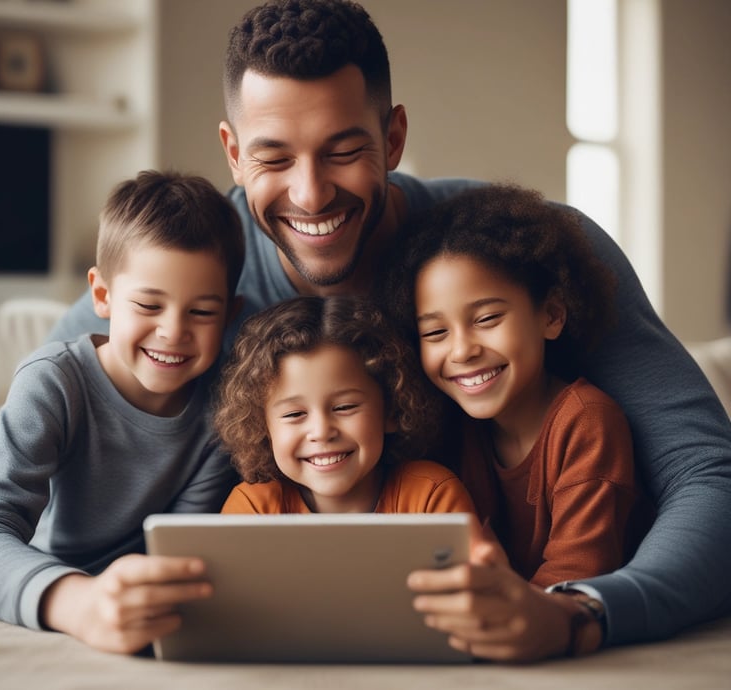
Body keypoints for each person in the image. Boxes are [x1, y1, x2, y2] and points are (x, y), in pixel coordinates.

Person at [46, 0, 731, 662]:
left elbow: (708, 473)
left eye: (343, 150)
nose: (310, 194)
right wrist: (77, 600)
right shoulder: (182, 274)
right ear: (231, 151)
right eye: (274, 158)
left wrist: (582, 612)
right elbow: (22, 460)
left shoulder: (530, 253)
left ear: (394, 137)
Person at [0, 170, 244, 654]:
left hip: (148, 609)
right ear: (102, 296)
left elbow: (179, 545)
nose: (173, 332)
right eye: (148, 305)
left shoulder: (225, 405)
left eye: (201, 312)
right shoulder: (54, 381)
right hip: (62, 591)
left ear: (231, 314)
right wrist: (79, 603)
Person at [381, 183, 652, 594]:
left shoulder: (587, 422)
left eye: (487, 319)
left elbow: (576, 577)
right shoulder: (448, 427)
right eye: (435, 331)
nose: (462, 350)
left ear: (552, 315)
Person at [217, 294, 478, 516]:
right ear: (264, 427)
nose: (321, 431)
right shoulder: (253, 510)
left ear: (390, 409)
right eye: (295, 413)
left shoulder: (431, 497)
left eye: (344, 407)